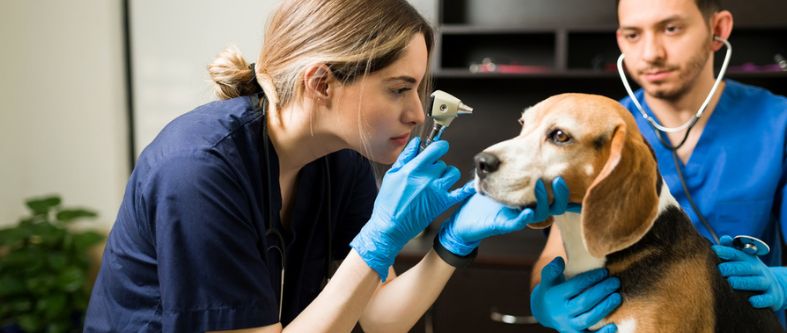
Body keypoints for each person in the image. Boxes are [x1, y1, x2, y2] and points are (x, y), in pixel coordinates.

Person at [83, 0, 574, 332]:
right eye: (399, 88)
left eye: (419, 89)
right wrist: (377, 241)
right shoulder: (200, 171)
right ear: (321, 83)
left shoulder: (338, 159)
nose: (418, 114)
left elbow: (380, 320)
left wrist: (452, 243)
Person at [529, 0, 787, 331]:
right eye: (633, 34)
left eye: (671, 29)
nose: (651, 53)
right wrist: (546, 299)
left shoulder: (777, 123)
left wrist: (781, 282)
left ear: (718, 29)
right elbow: (555, 254)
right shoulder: (598, 130)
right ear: (621, 40)